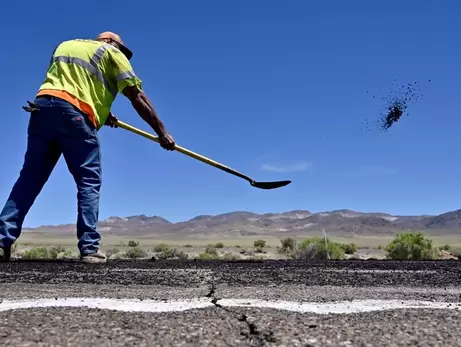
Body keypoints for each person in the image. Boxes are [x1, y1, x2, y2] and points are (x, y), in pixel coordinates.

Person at [0, 32, 176, 263]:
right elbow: (136, 96)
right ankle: (89, 248)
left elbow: (73, 85)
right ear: (112, 42)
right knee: (88, 181)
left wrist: (102, 113)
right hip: (75, 116)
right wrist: (162, 133)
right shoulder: (111, 52)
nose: (123, 55)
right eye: (122, 50)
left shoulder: (65, 45)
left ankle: (2, 239)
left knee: (30, 178)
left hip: (42, 109)